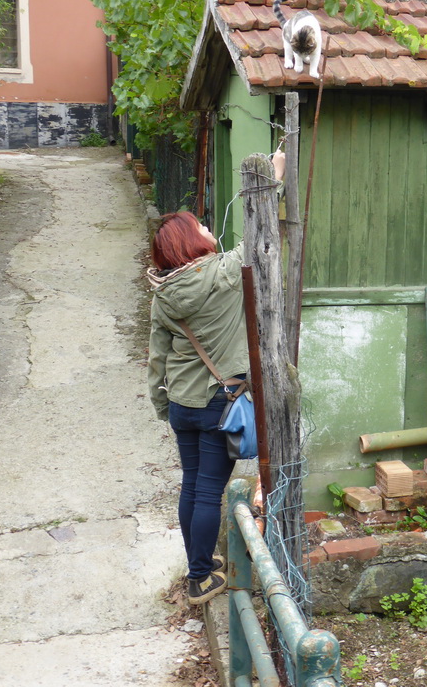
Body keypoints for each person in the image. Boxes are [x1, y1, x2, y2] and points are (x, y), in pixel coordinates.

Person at [147, 211, 247, 604]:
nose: (209, 228)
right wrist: (272, 180)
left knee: (192, 484)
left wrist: (161, 403)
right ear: (191, 240)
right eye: (201, 226)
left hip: (180, 403)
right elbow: (258, 239)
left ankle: (199, 562)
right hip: (216, 402)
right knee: (208, 491)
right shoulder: (224, 274)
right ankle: (200, 578)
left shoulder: (163, 291)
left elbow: (158, 355)